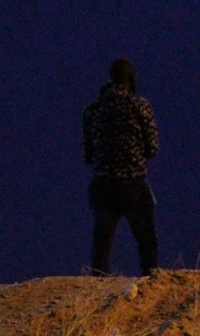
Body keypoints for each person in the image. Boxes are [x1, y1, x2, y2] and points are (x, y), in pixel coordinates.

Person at [82, 58, 160, 277]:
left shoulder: (93, 109)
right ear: (131, 80)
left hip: (103, 183)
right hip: (133, 182)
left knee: (102, 241)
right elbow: (153, 147)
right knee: (147, 240)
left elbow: (88, 154)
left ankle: (97, 284)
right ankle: (151, 281)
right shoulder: (139, 106)